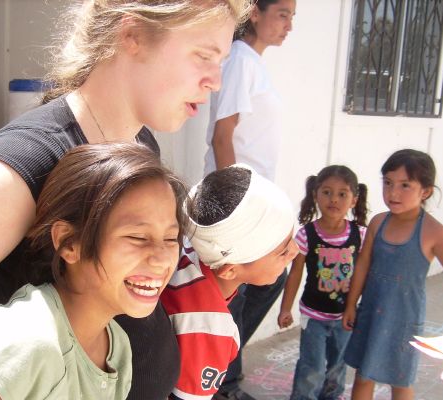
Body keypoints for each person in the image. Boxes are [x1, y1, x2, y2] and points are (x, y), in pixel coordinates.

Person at [0, 2, 252, 400]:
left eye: (221, 60)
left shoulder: (138, 142)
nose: (215, 81)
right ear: (132, 34)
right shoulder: (30, 158)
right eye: (203, 55)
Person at [0, 142, 188, 400]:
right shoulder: (27, 340)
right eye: (137, 237)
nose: (162, 259)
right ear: (69, 243)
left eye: (170, 238)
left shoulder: (115, 345)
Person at [201, 1, 296, 398]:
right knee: (239, 290)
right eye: (282, 13)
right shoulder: (239, 59)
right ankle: (225, 382)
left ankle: (225, 373)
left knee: (264, 282)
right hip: (244, 207)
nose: (289, 24)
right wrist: (235, 207)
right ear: (254, 13)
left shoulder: (254, 63)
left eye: (293, 17)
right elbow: (223, 136)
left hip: (257, 203)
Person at [162, 164, 298, 400]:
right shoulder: (209, 329)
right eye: (282, 251)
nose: (295, 252)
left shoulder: (193, 246)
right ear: (229, 270)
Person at [342, 149, 443, 400]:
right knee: (363, 374)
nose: (392, 193)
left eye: (405, 185)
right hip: (371, 312)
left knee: (401, 380)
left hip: (404, 321)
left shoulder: (434, 233)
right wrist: (351, 304)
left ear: (426, 191)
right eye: (387, 183)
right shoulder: (378, 222)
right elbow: (363, 263)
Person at [277, 165, 368, 400]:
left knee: (338, 366)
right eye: (326, 192)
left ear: (354, 200)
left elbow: (366, 272)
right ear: (315, 195)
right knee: (312, 366)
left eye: (342, 194)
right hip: (313, 316)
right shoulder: (306, 234)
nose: (334, 200)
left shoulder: (361, 235)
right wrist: (285, 308)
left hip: (346, 317)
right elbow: (295, 273)